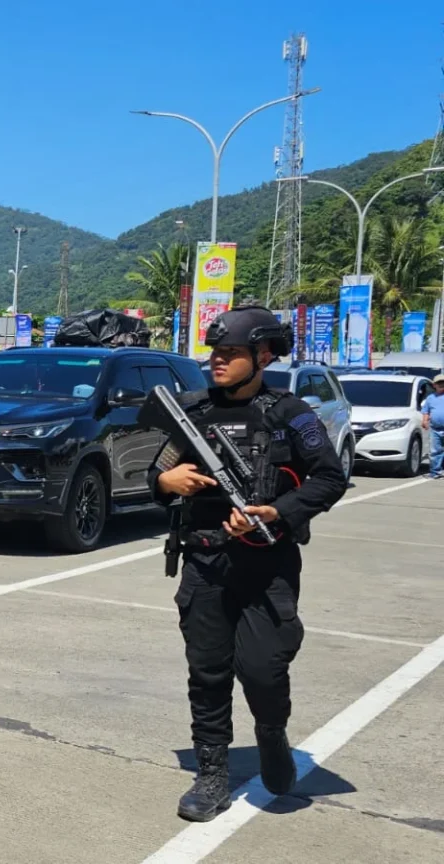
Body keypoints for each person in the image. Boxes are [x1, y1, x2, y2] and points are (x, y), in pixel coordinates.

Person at [150, 305, 346, 822]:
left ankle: (271, 734)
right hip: (206, 559)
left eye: (230, 354)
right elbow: (160, 471)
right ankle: (212, 773)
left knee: (262, 669)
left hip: (268, 563)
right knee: (207, 671)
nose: (217, 361)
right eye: (214, 352)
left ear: (262, 357)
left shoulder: (290, 413)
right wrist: (165, 483)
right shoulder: (192, 412)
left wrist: (277, 512)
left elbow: (330, 477)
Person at [423, 374, 444, 479]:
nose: (442, 385)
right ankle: (435, 472)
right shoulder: (430, 398)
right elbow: (426, 411)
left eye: (443, 383)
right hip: (435, 429)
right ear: (434, 385)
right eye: (439, 383)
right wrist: (425, 421)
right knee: (435, 451)